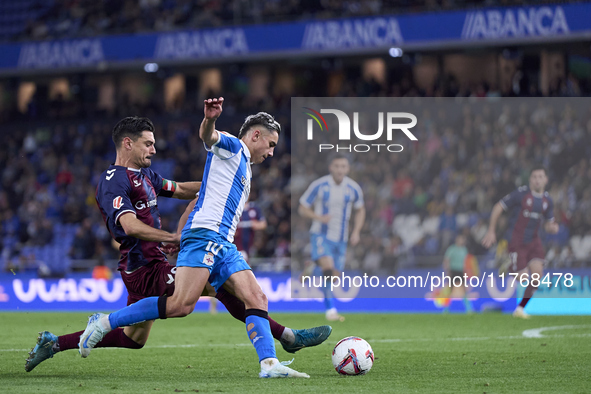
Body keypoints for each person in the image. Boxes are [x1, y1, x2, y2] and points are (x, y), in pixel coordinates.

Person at [25, 114, 330, 372]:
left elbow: (182, 188)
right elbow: (130, 225)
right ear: (127, 143)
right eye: (148, 143)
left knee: (134, 339)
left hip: (154, 262)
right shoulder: (113, 181)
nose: (154, 149)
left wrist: (223, 183)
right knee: (220, 287)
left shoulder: (146, 177)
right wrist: (172, 237)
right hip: (141, 266)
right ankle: (287, 338)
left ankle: (54, 343)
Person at [482, 166, 559, 319]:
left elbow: (550, 223)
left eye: (540, 177)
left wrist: (553, 228)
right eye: (534, 177)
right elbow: (498, 207)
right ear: (530, 180)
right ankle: (508, 264)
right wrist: (491, 230)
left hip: (535, 241)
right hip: (517, 241)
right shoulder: (521, 194)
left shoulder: (547, 201)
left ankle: (520, 309)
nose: (537, 180)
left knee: (537, 276)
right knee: (523, 278)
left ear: (546, 180)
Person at [298, 154, 365, 322]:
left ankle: (312, 265)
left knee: (334, 276)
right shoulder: (319, 185)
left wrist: (356, 231)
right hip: (321, 234)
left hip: (341, 239)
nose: (340, 170)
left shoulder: (353, 188)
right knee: (328, 270)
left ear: (348, 169)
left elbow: (360, 209)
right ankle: (330, 311)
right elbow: (302, 207)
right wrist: (319, 218)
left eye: (343, 166)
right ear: (331, 168)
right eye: (337, 166)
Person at [210, 194, 267, 314]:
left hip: (245, 249)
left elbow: (263, 224)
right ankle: (244, 305)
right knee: (239, 279)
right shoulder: (231, 207)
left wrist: (253, 225)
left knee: (224, 278)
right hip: (231, 249)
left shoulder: (253, 209)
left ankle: (241, 304)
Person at [441, 234, 473, 313]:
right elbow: (447, 260)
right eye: (461, 239)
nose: (462, 241)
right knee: (449, 290)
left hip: (461, 271)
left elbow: (466, 261)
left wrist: (467, 271)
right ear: (457, 240)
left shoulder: (464, 250)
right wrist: (447, 270)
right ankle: (446, 308)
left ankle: (469, 308)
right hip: (453, 270)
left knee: (464, 289)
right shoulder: (452, 249)